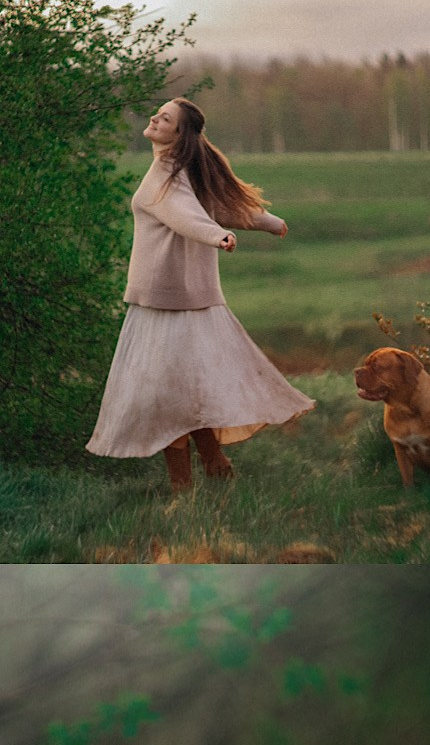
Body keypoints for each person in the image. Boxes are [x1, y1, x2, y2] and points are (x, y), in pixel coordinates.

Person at [86, 97, 315, 489]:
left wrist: (220, 235)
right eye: (158, 113)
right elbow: (214, 210)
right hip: (185, 299)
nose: (156, 117)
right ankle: (213, 461)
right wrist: (267, 222)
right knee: (184, 390)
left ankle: (184, 487)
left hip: (165, 305)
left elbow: (191, 216)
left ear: (179, 134)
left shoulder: (167, 177)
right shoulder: (182, 171)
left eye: (166, 118)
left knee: (166, 399)